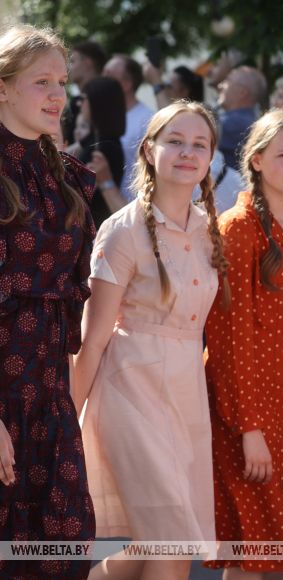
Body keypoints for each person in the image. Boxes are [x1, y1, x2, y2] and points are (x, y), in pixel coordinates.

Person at [74, 101, 227, 579]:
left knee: (150, 545)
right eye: (175, 141)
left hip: (185, 394)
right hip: (130, 389)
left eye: (199, 144)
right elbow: (93, 338)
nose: (187, 152)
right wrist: (67, 420)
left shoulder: (209, 230)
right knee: (172, 541)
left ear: (211, 159)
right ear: (148, 150)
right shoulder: (121, 231)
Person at [203, 109, 283, 576]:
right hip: (250, 411)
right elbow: (227, 335)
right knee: (251, 552)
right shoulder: (238, 228)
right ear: (256, 160)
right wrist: (248, 428)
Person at [0, 24, 96, 579]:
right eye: (42, 81)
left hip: (51, 395)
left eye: (62, 80)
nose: (58, 93)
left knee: (62, 554)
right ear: (4, 88)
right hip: (3, 393)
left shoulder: (71, 179)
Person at [75, 76, 127, 226]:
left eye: (84, 98)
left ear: (97, 102)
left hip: (93, 228)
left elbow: (76, 192)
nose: (80, 103)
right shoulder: (100, 140)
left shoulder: (103, 147)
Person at [103, 54, 155, 199]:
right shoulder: (105, 116)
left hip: (133, 210)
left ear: (126, 84)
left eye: (108, 75)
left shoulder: (147, 119)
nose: (102, 79)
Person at [216, 65, 266, 171]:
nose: (220, 86)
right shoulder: (250, 122)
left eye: (227, 81)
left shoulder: (234, 124)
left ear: (242, 92)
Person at [62, 40, 107, 146]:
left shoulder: (106, 101)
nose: (68, 68)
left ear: (88, 63)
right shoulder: (75, 102)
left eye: (72, 61)